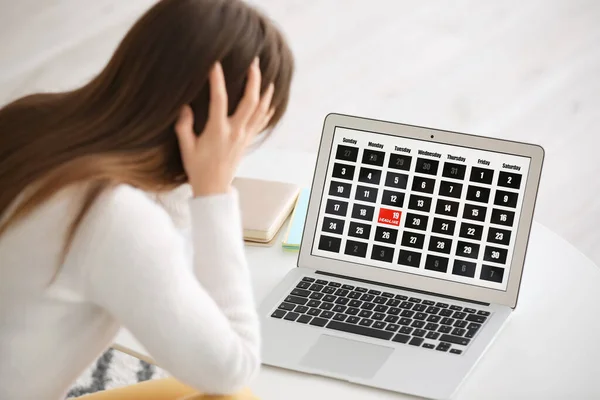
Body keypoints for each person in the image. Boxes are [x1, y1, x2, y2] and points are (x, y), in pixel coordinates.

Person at [0, 0, 294, 398]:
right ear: (220, 126)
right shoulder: (109, 215)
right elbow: (231, 366)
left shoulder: (27, 119)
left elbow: (163, 263)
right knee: (234, 396)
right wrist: (214, 191)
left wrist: (187, 174)